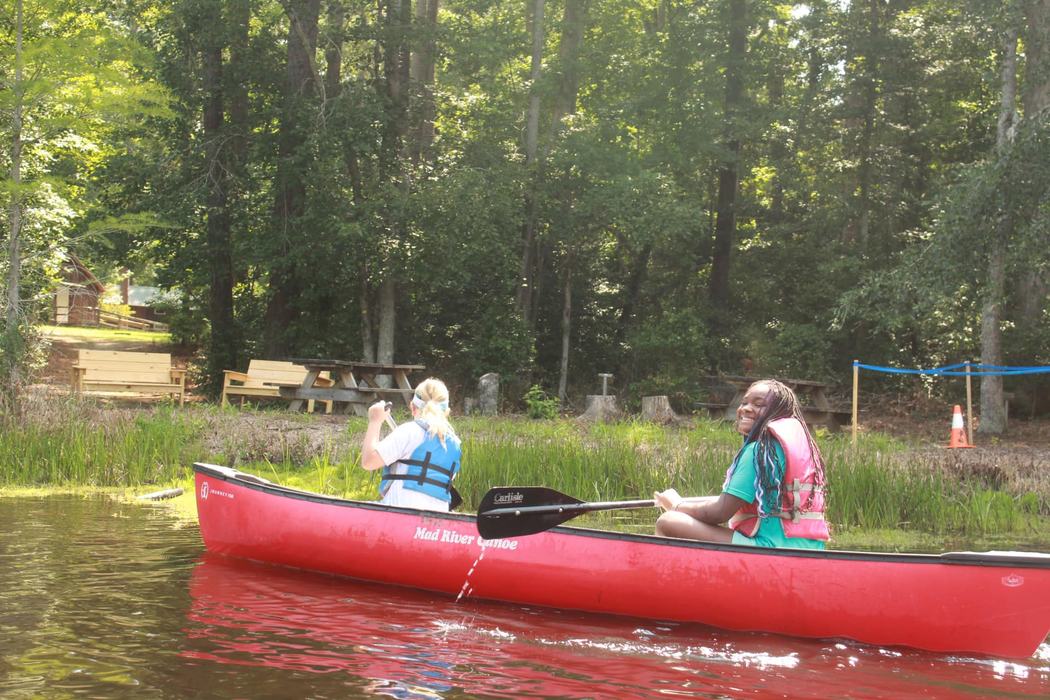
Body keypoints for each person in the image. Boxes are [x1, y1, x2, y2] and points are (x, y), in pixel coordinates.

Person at [653, 379, 830, 549]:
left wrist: (676, 505)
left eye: (758, 404)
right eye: (744, 402)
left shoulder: (759, 451)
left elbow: (720, 513)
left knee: (669, 521)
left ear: (776, 413)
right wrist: (683, 502)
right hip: (809, 549)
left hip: (770, 549)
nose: (746, 409)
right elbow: (731, 501)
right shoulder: (797, 451)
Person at [360, 377, 462, 511]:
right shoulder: (455, 444)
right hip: (435, 521)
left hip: (399, 512)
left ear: (412, 407)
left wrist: (375, 421)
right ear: (447, 412)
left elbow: (368, 462)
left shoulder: (409, 431)